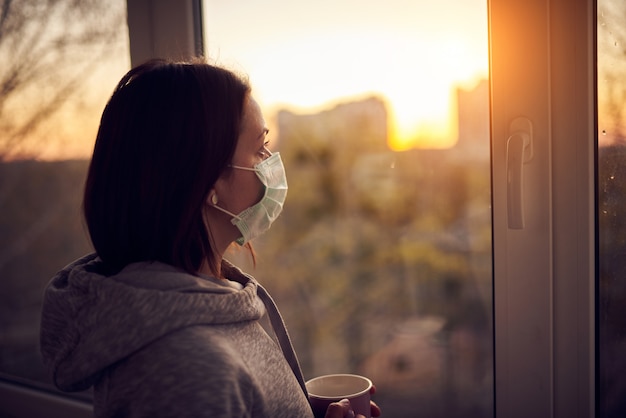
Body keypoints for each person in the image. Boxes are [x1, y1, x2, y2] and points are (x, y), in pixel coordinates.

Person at [39, 58, 381, 418]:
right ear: (209, 183)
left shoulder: (205, 301)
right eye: (259, 149)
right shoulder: (185, 368)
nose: (271, 163)